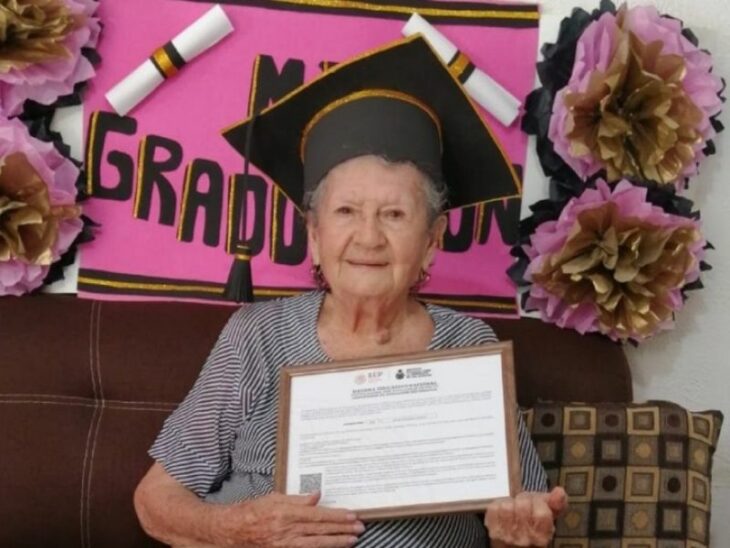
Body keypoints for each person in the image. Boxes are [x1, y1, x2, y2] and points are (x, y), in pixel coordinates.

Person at [134, 35, 567, 548]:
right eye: (346, 212)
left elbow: (522, 512)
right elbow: (155, 500)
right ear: (315, 238)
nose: (368, 237)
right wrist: (239, 529)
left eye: (394, 215)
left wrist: (515, 532)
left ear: (430, 243)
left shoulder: (469, 347)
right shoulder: (259, 336)